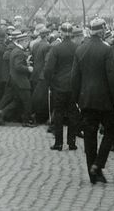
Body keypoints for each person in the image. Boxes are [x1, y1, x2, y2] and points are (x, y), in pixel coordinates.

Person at [72, 18, 114, 184]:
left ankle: (92, 173)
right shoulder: (107, 50)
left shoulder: (80, 49)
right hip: (105, 100)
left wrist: (77, 99)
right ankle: (98, 164)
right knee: (112, 131)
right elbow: (112, 78)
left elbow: (74, 78)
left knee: (89, 135)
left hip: (86, 99)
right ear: (102, 31)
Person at [43, 23, 80, 151]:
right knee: (73, 114)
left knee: (58, 114)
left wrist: (49, 82)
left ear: (61, 33)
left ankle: (58, 143)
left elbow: (48, 69)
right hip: (74, 86)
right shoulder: (77, 48)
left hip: (58, 86)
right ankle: (72, 142)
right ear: (72, 34)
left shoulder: (56, 49)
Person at [0, 31, 36, 127]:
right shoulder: (19, 52)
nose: (28, 44)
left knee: (16, 101)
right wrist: (28, 68)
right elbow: (18, 66)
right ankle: (26, 121)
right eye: (27, 41)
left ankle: (1, 113)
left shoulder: (15, 50)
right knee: (27, 101)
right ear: (23, 41)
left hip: (14, 80)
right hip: (21, 81)